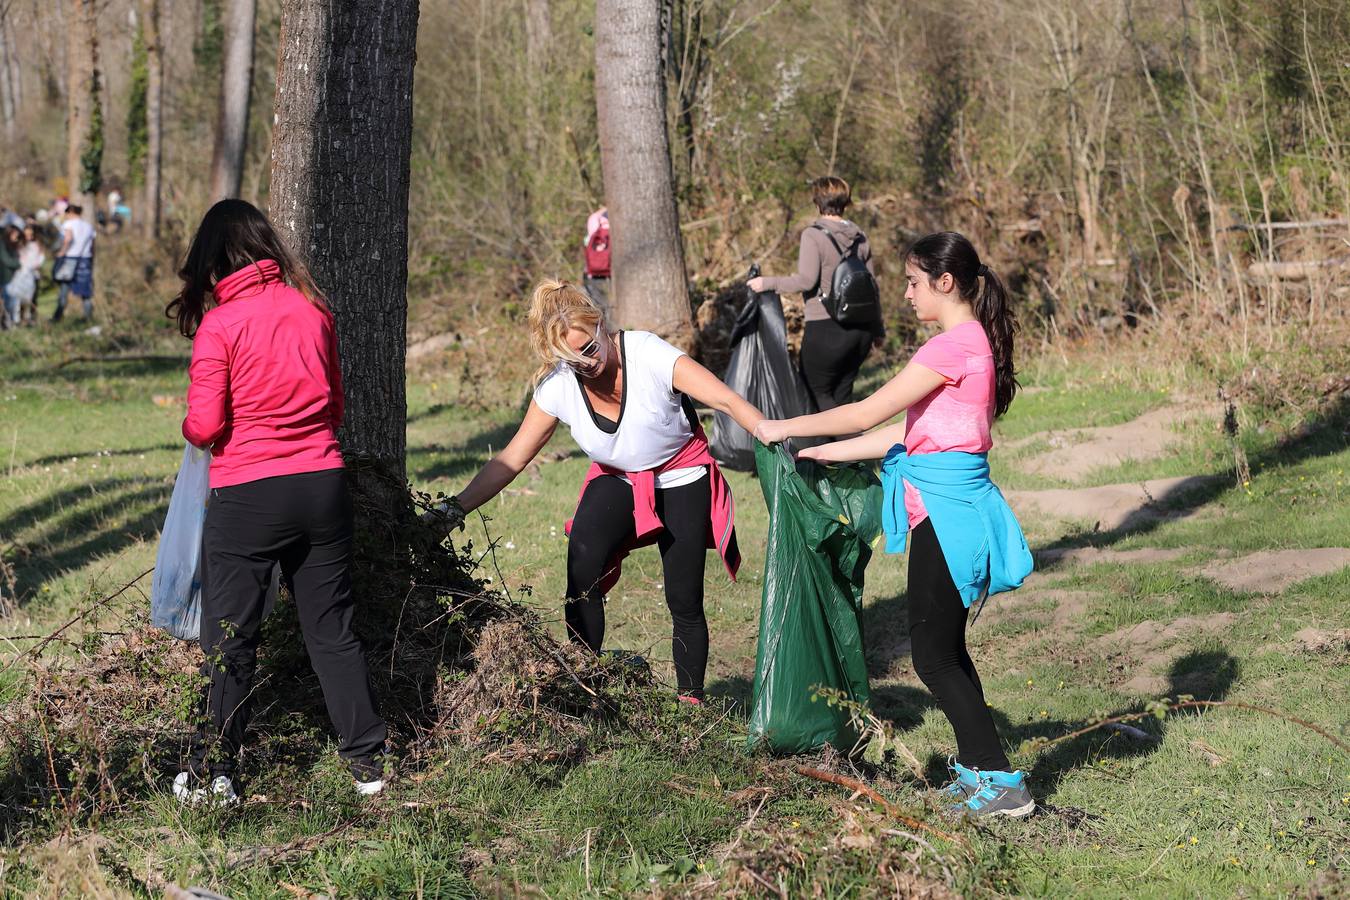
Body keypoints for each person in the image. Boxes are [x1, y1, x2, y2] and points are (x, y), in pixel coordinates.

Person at [754, 232, 1035, 819]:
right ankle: (979, 770)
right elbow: (904, 436)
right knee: (949, 649)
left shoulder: (950, 348)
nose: (905, 294)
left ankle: (1002, 785)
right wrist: (824, 453)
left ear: (944, 282)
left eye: (912, 282)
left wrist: (784, 427)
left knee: (933, 657)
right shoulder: (969, 344)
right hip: (950, 506)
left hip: (948, 514)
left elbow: (867, 409)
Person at [440, 280, 764, 702]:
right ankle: (584, 684)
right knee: (582, 566)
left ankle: (690, 705)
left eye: (589, 349)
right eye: (572, 360)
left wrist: (769, 431)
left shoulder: (647, 353)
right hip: (618, 478)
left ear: (602, 327)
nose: (586, 364)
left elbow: (725, 400)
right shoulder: (558, 386)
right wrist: (452, 510)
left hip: (681, 475)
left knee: (683, 596)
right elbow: (512, 458)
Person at [168, 199, 388, 806]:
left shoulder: (222, 324)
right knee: (332, 630)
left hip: (247, 494)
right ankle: (369, 766)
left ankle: (217, 771)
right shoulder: (312, 310)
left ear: (213, 261)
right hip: (322, 486)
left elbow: (205, 424)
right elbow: (336, 406)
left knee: (231, 634)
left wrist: (195, 429)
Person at [748, 176, 884, 412]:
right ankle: (852, 444)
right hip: (861, 332)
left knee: (816, 394)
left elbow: (806, 280)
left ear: (817, 201)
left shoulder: (813, 235)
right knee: (842, 397)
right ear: (846, 201)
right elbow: (872, 288)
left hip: (825, 327)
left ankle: (855, 440)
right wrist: (878, 330)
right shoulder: (860, 236)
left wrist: (766, 283)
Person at [51, 204, 96, 321]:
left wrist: (61, 252)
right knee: (85, 290)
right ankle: (88, 316)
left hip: (70, 258)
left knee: (64, 288)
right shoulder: (88, 226)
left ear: (71, 212)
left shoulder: (69, 224)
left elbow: (68, 239)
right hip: (85, 259)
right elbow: (92, 245)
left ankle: (57, 316)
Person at [7, 225, 46, 326]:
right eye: (26, 234)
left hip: (33, 274)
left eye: (30, 234)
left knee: (32, 298)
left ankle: (30, 318)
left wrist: (36, 265)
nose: (28, 236)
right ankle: (17, 319)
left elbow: (41, 257)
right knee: (18, 298)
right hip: (20, 275)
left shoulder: (37, 244)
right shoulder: (19, 245)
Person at [582, 206, 611, 310]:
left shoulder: (594, 218)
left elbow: (587, 242)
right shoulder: (615, 217)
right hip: (611, 270)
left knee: (599, 303)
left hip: (594, 272)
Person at [0, 226, 20, 329]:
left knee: (10, 302)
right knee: (7, 302)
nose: (17, 236)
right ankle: (7, 324)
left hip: (10, 277)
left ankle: (9, 323)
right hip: (4, 277)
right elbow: (5, 260)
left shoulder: (13, 245)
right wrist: (19, 264)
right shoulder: (2, 244)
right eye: (14, 234)